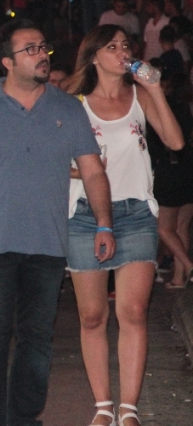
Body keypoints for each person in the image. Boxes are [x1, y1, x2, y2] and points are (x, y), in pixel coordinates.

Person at [0, 20, 113, 425]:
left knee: (37, 339)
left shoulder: (67, 108)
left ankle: (24, 418)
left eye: (43, 47)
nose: (42, 55)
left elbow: (92, 171)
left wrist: (104, 222)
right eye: (31, 49)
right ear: (7, 62)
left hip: (47, 245)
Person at [64, 24, 184, 426]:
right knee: (93, 316)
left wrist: (153, 90)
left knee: (133, 311)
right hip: (84, 216)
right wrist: (79, 171)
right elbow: (53, 156)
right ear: (94, 56)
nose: (121, 52)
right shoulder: (73, 103)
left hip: (135, 214)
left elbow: (175, 142)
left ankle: (128, 409)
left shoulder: (138, 97)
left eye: (125, 46)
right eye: (111, 46)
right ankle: (103, 406)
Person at [151, 72, 193, 289]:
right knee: (182, 227)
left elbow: (157, 141)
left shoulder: (168, 109)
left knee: (164, 228)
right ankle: (179, 277)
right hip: (188, 169)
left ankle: (187, 265)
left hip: (172, 170)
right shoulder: (188, 107)